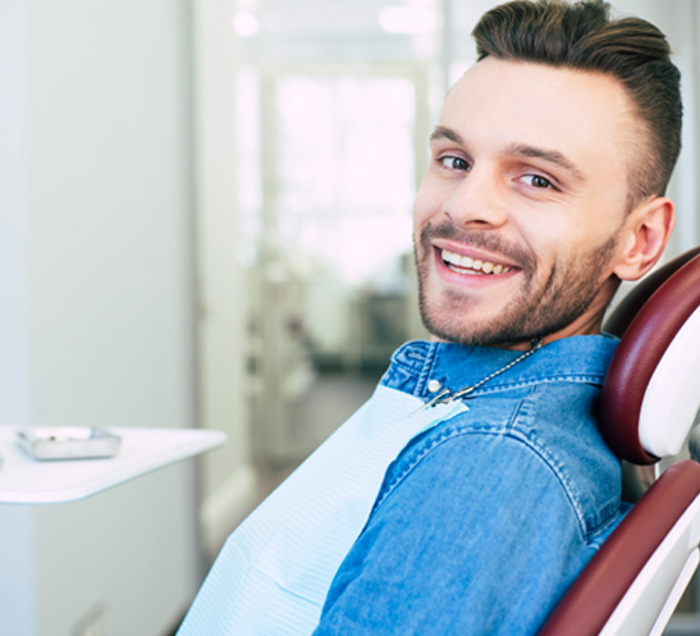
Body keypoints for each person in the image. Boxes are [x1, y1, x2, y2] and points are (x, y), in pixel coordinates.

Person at [178, 1, 682, 633]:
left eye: (537, 179)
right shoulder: (473, 402)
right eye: (455, 160)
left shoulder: (489, 464)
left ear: (638, 240)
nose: (467, 206)